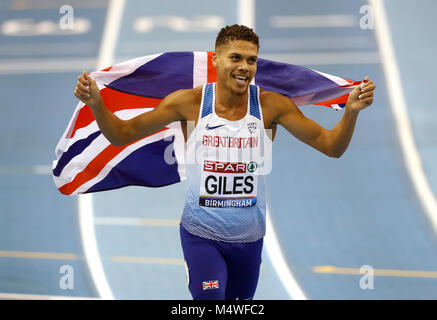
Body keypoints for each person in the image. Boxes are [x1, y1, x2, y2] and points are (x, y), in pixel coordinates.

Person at [74, 24, 375, 300]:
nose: (245, 67)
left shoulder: (272, 107)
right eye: (236, 58)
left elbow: (331, 146)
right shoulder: (189, 103)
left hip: (249, 242)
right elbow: (121, 134)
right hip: (201, 237)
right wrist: (96, 103)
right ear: (216, 60)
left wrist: (351, 112)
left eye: (252, 60)